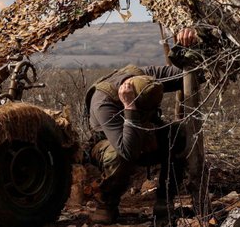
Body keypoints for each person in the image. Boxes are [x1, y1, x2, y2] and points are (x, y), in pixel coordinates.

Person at [85, 27, 198, 225]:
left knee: (178, 134)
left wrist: (185, 47)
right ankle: (107, 203)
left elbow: (187, 75)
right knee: (117, 155)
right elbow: (128, 151)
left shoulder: (145, 76)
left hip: (144, 133)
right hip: (111, 144)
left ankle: (164, 201)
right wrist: (130, 107)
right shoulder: (104, 101)